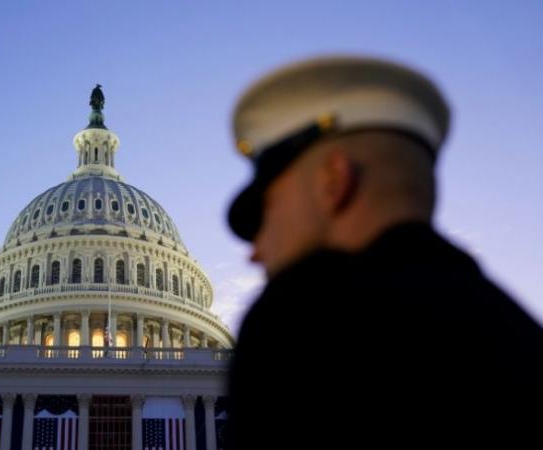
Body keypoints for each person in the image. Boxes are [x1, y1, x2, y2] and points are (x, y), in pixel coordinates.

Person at [225, 56, 543, 447]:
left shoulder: (308, 318)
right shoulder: (515, 330)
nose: (254, 252)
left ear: (334, 182)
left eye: (265, 212)